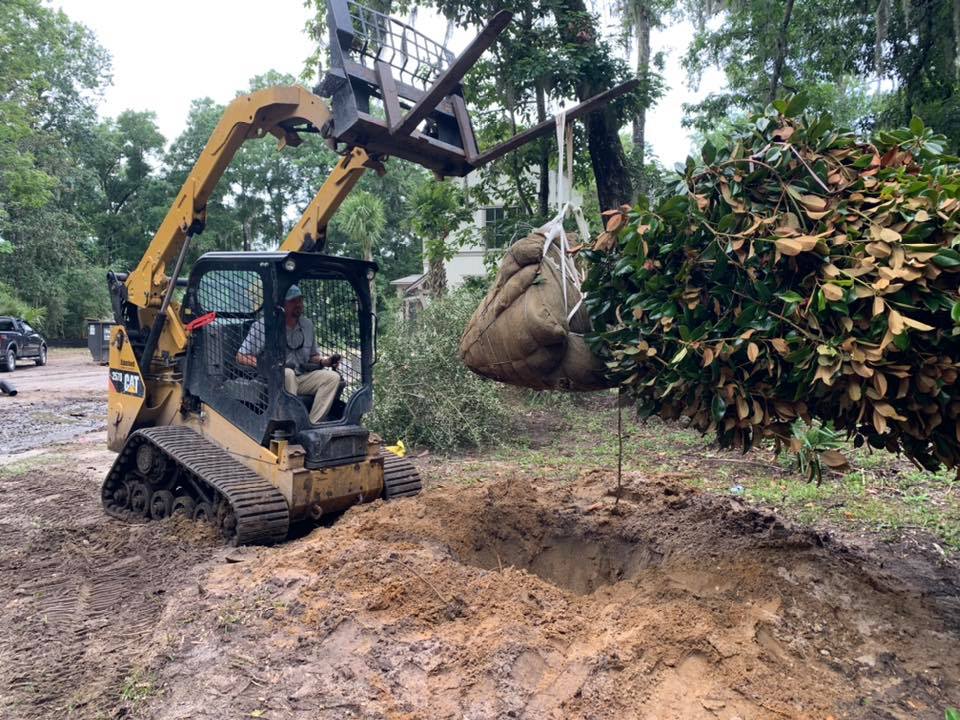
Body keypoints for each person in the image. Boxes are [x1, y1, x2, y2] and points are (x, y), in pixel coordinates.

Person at [236, 285, 341, 424]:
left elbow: (312, 356)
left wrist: (325, 362)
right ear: (281, 305)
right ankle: (292, 422)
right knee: (287, 373)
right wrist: (264, 364)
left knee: (332, 377)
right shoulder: (263, 326)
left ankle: (311, 424)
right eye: (293, 301)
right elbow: (241, 356)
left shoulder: (307, 325)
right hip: (274, 379)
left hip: (302, 376)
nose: (298, 304)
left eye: (300, 300)